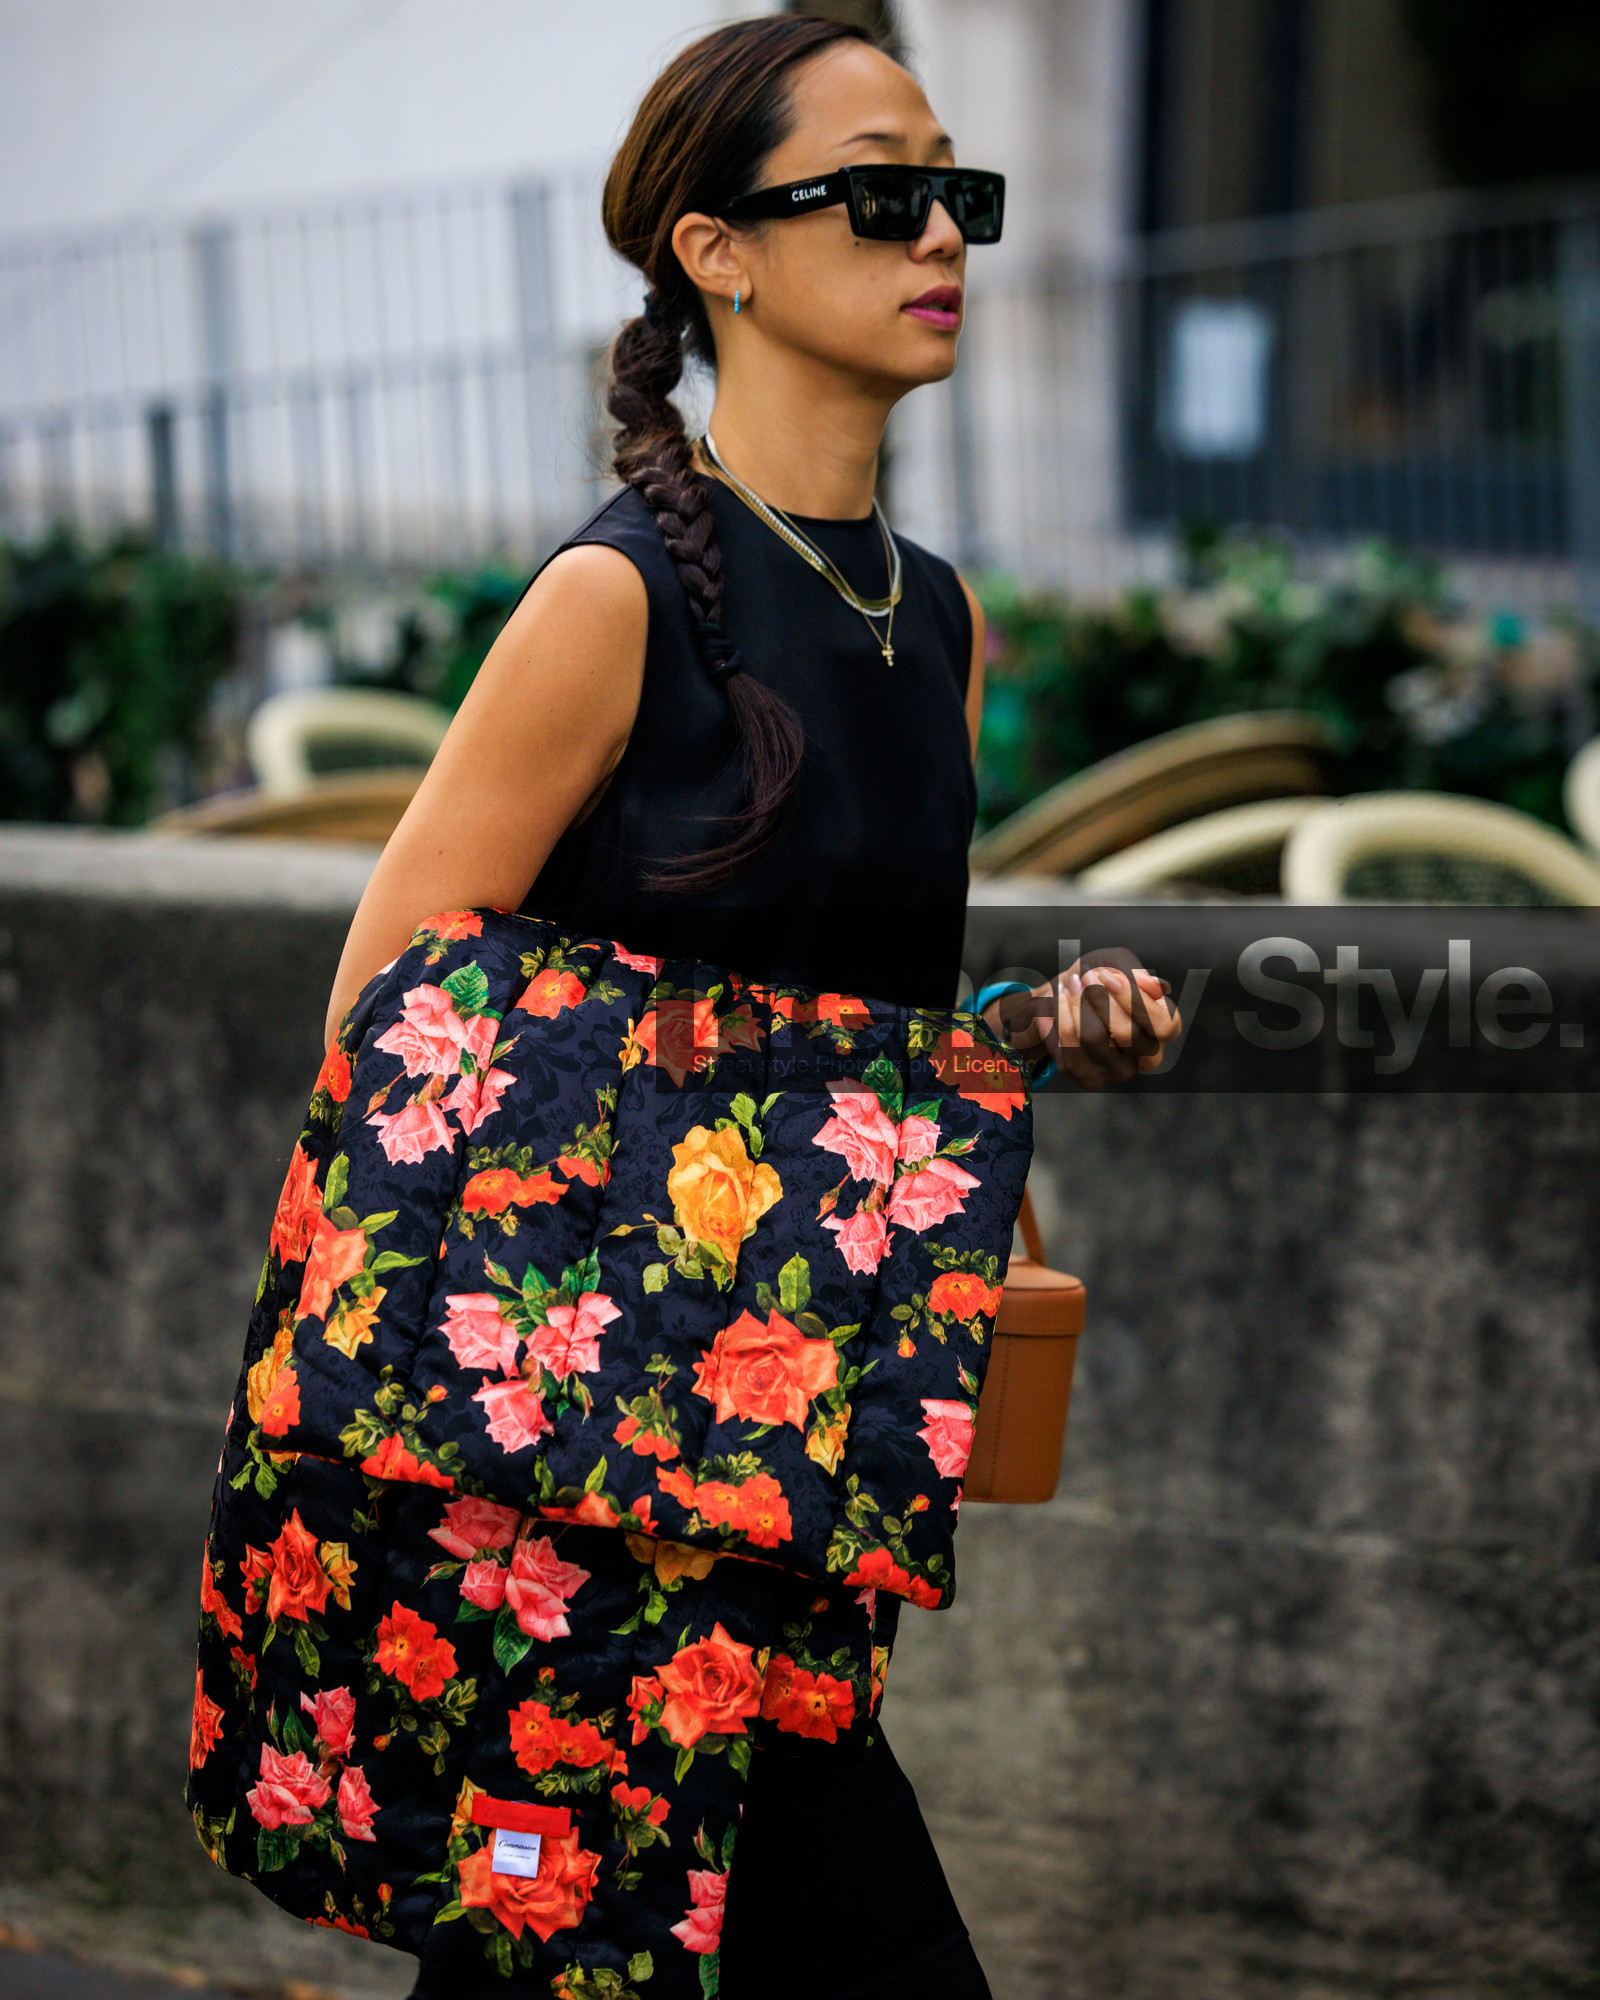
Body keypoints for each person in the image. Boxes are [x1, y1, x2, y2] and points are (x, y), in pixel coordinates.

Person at [321, 19, 1180, 1997]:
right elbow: (384, 1016)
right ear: (717, 253)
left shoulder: (936, 618)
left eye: (953, 190)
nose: (939, 233)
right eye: (879, 191)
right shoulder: (615, 602)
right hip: (591, 1488)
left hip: (801, 1460)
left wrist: (1020, 1035)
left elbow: (838, 1035)